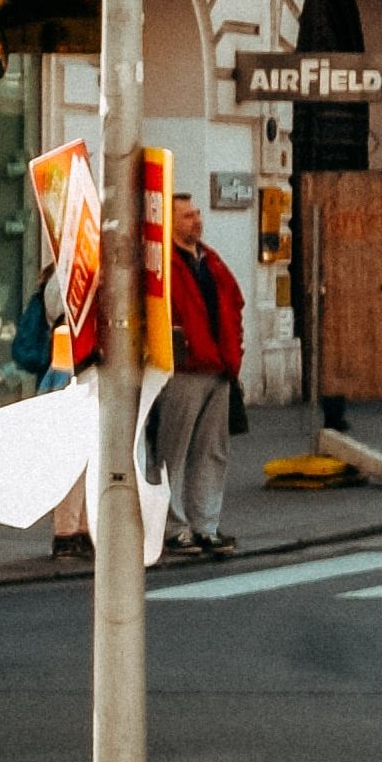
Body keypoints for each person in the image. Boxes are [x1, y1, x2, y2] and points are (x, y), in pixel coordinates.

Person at [142, 203, 248, 559]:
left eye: (198, 214)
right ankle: (174, 527)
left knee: (211, 451)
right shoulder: (163, 263)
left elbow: (234, 304)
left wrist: (235, 353)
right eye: (188, 216)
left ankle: (206, 525)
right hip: (184, 369)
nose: (198, 221)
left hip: (217, 367)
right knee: (173, 450)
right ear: (170, 222)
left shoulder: (210, 260)